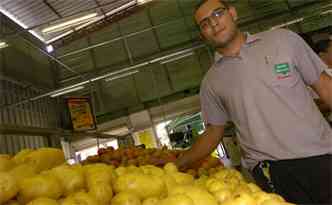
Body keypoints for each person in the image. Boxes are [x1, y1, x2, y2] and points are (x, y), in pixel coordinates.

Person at [175, 0, 332, 204]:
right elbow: (214, 133)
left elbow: (325, 86)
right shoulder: (211, 83)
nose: (213, 24)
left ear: (233, 13)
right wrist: (178, 163)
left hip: (322, 157)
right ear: (202, 34)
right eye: (204, 23)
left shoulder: (283, 40)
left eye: (217, 14)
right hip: (272, 173)